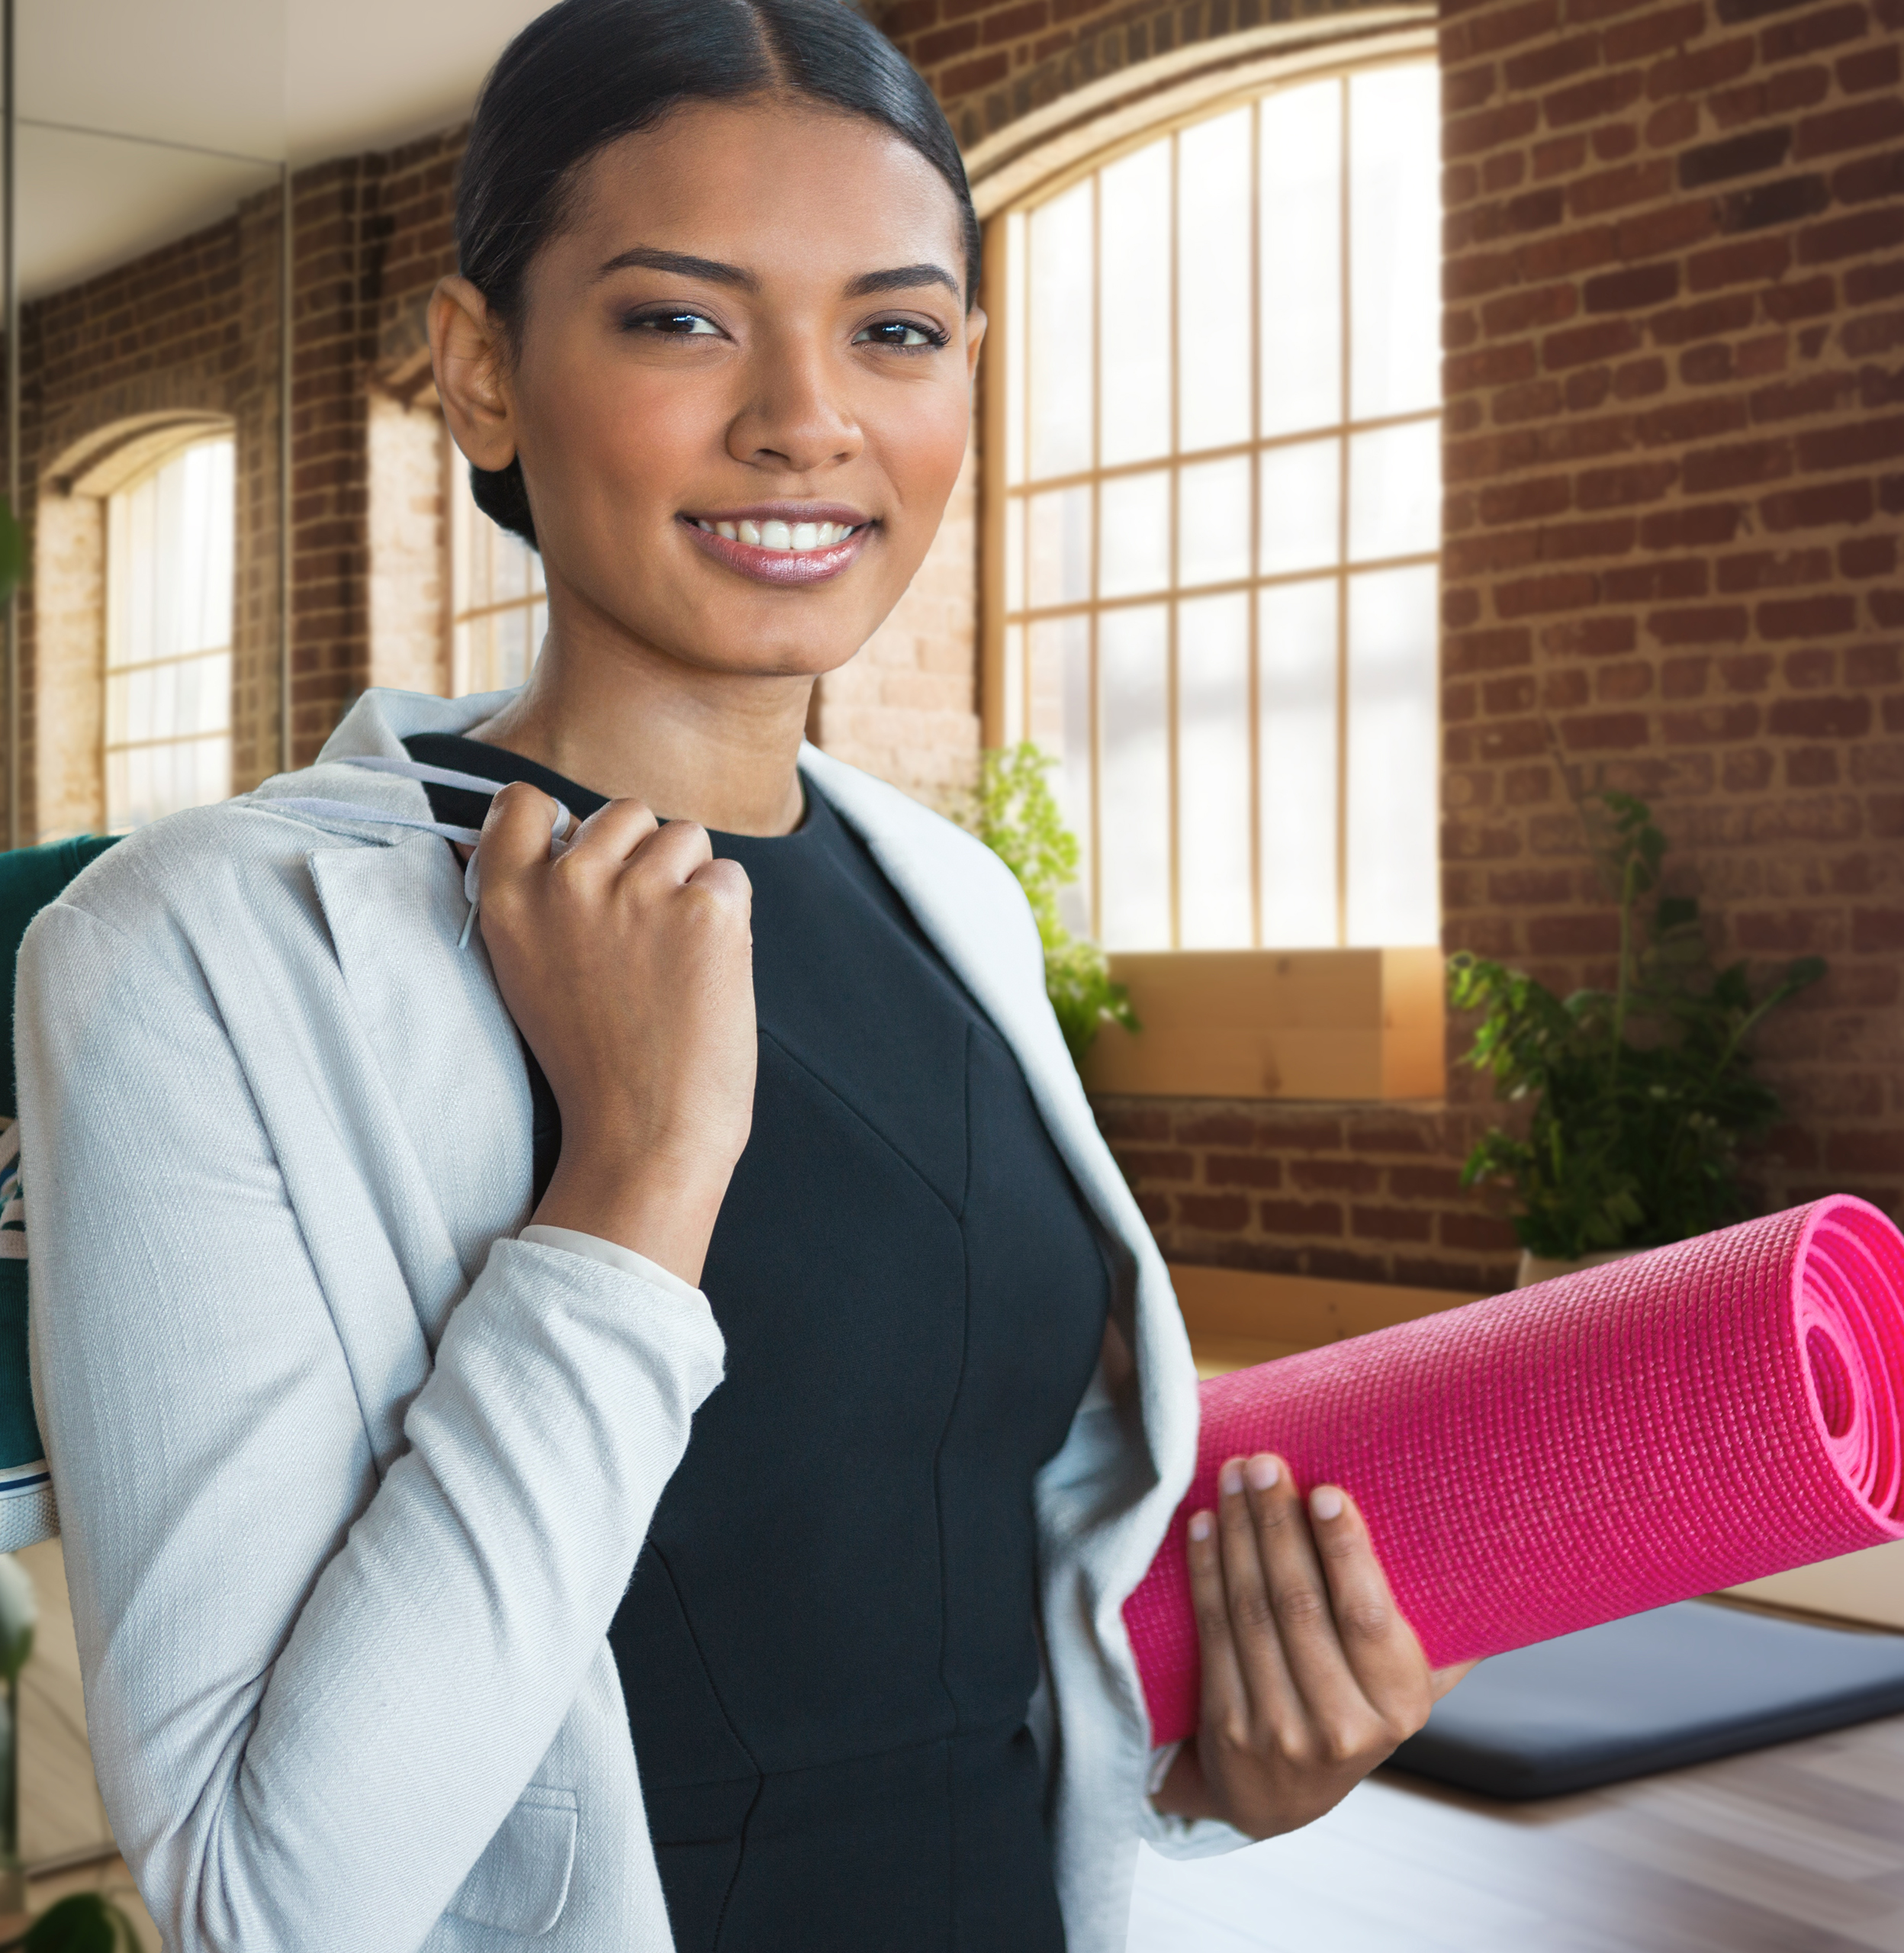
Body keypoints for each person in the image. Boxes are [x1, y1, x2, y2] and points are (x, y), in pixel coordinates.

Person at [18, 2, 1466, 1948]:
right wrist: (633, 1184)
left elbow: (946, 1607)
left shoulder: (945, 893)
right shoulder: (202, 951)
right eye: (679, 318)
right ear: (478, 371)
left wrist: (1202, 1763)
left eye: (894, 326)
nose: (807, 415)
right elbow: (271, 1898)